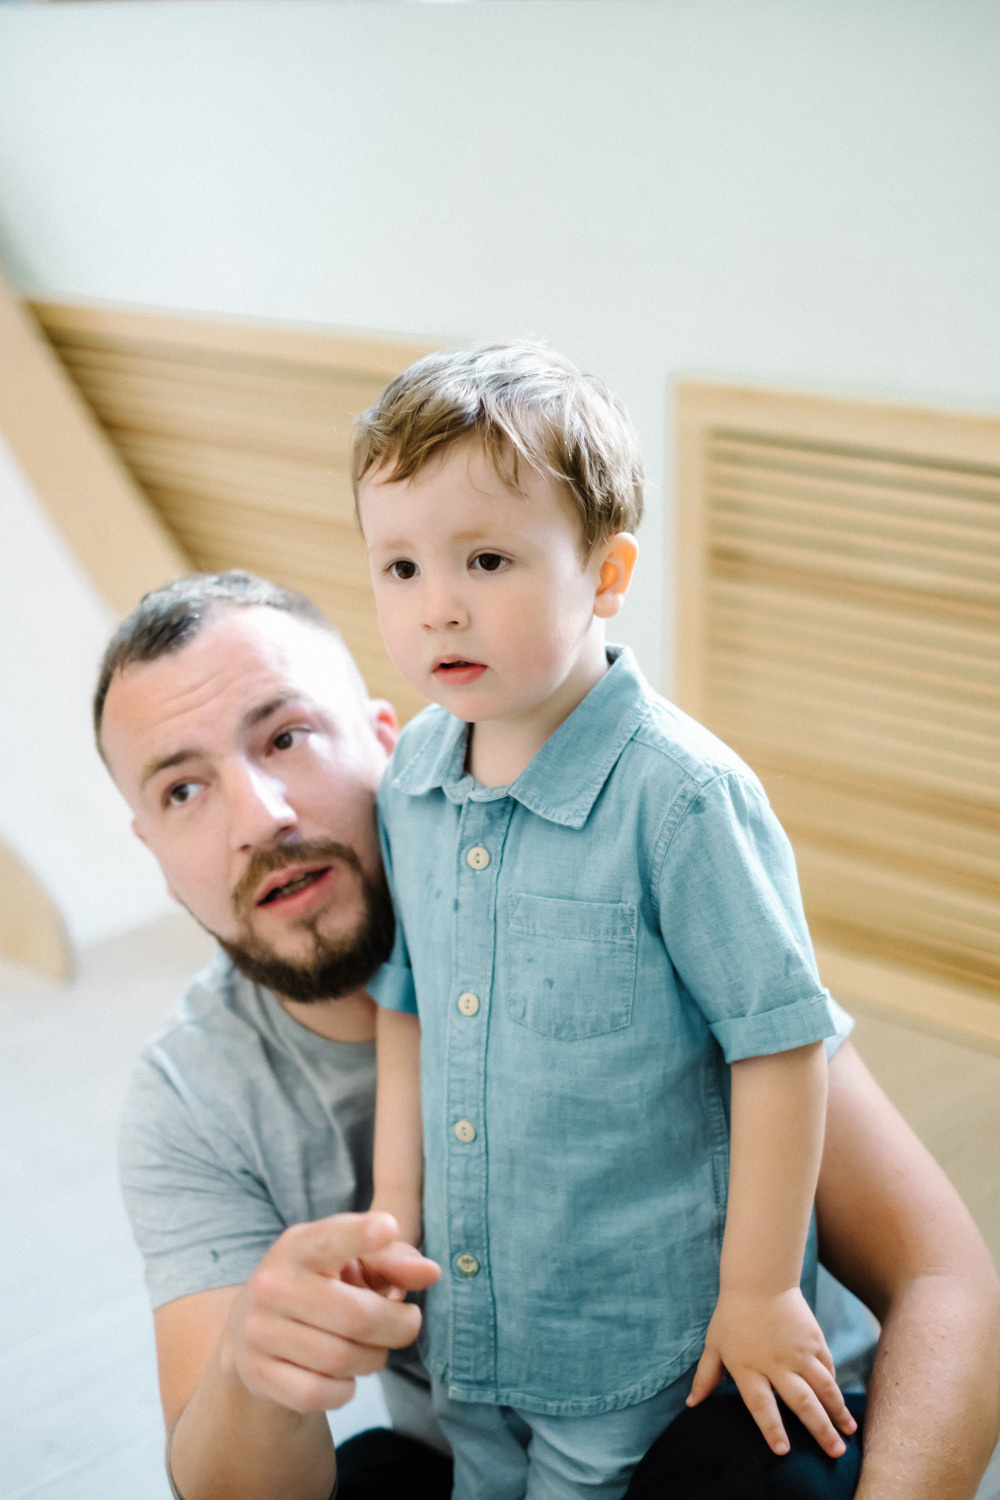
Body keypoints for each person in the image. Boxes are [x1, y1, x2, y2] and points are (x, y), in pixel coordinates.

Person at [95, 571, 1000, 1500]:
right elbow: (224, 1487)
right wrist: (254, 1368)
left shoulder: (619, 878)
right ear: (155, 857)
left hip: (734, 1417)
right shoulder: (191, 1101)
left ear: (388, 742)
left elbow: (946, 1279)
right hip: (491, 1454)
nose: (260, 817)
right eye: (183, 791)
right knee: (365, 1477)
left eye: (286, 738)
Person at [355, 342, 856, 1497]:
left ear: (606, 571)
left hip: (634, 1328)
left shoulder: (680, 797)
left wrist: (762, 1290)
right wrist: (392, 1209)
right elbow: (407, 1008)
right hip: (471, 1321)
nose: (438, 607)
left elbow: (779, 1044)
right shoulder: (413, 778)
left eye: (486, 559)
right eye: (398, 568)